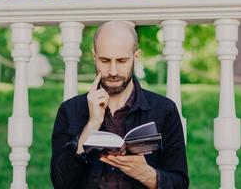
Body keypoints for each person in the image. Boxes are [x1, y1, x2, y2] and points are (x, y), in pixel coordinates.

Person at [50, 21, 189, 189]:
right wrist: (92, 125)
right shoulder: (70, 110)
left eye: (122, 61)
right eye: (105, 60)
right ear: (94, 56)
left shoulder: (164, 110)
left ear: (135, 57)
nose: (113, 71)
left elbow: (180, 183)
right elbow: (60, 183)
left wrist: (146, 174)